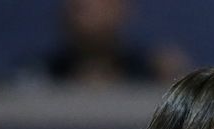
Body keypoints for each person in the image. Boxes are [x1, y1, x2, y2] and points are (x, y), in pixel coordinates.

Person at [25, 0, 188, 86]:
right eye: (78, 4)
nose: (88, 6)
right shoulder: (38, 76)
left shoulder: (155, 72)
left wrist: (176, 84)